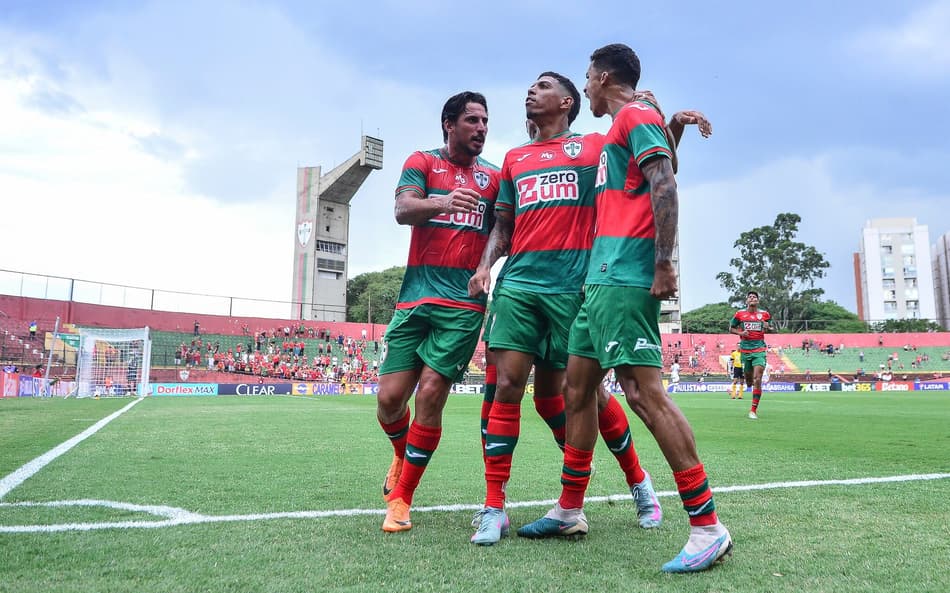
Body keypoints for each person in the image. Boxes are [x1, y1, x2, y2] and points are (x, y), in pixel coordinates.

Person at [518, 44, 732, 574]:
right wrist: (674, 127)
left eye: (588, 79)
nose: (586, 87)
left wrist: (664, 264)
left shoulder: (633, 114)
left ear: (603, 76)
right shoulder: (631, 123)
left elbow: (665, 183)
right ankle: (569, 510)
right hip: (599, 277)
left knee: (641, 392)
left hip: (627, 275)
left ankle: (707, 525)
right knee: (578, 389)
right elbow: (650, 171)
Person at [468, 72, 688, 545]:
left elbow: (652, 168)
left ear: (568, 101)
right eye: (529, 86)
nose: (530, 90)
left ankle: (638, 481)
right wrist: (486, 267)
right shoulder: (514, 159)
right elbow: (503, 226)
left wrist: (664, 119)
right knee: (506, 386)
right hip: (520, 286)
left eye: (543, 85)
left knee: (587, 394)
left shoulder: (593, 146)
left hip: (577, 287)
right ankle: (493, 507)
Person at [376, 91, 501, 533]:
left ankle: (402, 500)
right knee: (390, 401)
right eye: (472, 120)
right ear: (448, 124)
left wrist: (486, 266)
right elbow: (402, 209)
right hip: (415, 298)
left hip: (464, 303)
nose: (481, 128)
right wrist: (444, 202)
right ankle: (399, 452)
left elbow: (503, 227)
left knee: (430, 393)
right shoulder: (422, 162)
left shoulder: (494, 177)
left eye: (485, 121)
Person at [729, 291, 772, 419]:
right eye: (750, 297)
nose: (752, 298)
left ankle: (753, 410)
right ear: (747, 301)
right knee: (748, 381)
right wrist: (741, 333)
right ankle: (749, 383)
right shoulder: (740, 314)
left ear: (758, 301)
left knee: (757, 378)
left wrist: (768, 327)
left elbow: (771, 329)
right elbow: (731, 328)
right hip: (745, 350)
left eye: (755, 297)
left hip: (759, 349)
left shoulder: (764, 314)